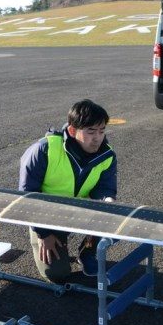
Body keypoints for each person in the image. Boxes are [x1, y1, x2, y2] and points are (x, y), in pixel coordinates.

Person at [19, 99, 117, 283]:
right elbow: (27, 197)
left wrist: (108, 202)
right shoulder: (43, 150)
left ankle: (87, 252)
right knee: (57, 274)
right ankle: (53, 241)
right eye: (90, 132)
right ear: (72, 131)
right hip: (46, 219)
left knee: (114, 216)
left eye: (102, 131)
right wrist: (43, 233)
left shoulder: (107, 155)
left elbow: (105, 189)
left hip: (78, 211)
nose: (97, 138)